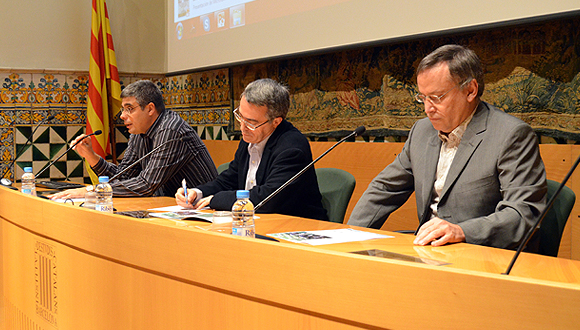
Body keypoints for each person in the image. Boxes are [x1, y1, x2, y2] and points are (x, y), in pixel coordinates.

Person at [348, 45, 547, 250]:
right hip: (429, 252)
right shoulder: (421, 131)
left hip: (481, 255)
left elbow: (522, 213)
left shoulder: (510, 135)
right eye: (423, 98)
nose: (427, 109)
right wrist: (348, 236)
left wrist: (461, 231)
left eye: (436, 97)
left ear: (470, 90)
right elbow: (384, 188)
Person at [175, 78, 328, 221]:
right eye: (240, 117)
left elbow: (267, 198)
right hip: (255, 222)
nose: (242, 128)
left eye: (251, 122)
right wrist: (198, 193)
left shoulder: (292, 148)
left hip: (295, 227)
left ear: (276, 121)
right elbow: (229, 179)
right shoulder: (250, 138)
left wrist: (217, 199)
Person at [49, 80, 217, 199]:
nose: (122, 116)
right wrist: (91, 156)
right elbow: (123, 177)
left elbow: (146, 184)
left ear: (150, 109)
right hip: (170, 207)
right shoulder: (139, 132)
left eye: (129, 109)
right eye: (123, 109)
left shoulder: (171, 129)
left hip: (204, 210)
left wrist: (93, 190)